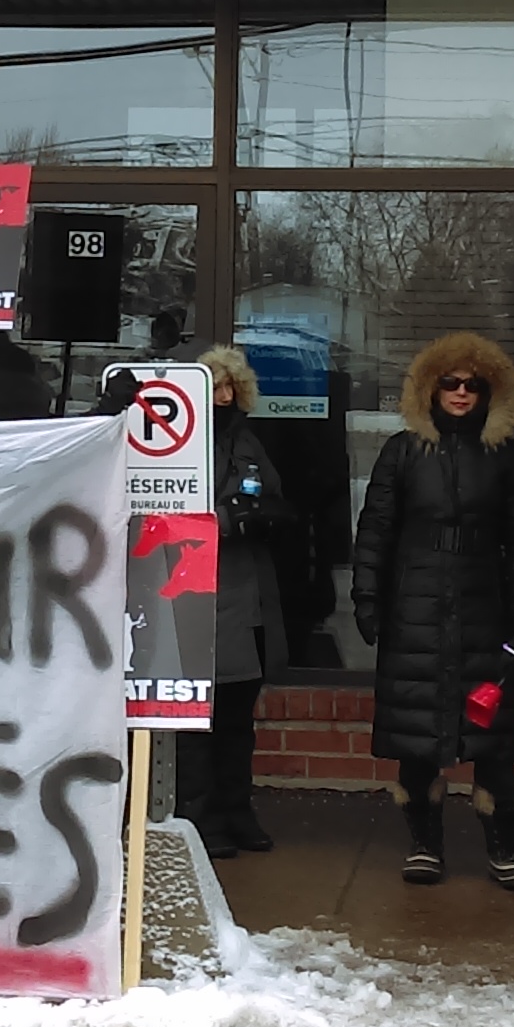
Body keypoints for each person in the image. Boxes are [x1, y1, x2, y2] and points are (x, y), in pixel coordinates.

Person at [350, 331, 514, 892]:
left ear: (488, 392)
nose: (461, 393)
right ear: (430, 389)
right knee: (418, 737)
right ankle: (424, 844)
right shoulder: (403, 451)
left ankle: (506, 847)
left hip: (486, 607)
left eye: (473, 384)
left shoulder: (503, 456)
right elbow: (375, 530)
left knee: (493, 738)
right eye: (450, 383)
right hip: (416, 608)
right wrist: (368, 596)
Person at [178, 345, 292, 858]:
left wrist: (254, 515)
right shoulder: (176, 443)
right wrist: (220, 520)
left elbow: (278, 501)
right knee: (195, 723)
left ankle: (236, 810)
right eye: (214, 386)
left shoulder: (248, 440)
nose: (223, 396)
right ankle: (201, 820)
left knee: (237, 720)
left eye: (230, 386)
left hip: (245, 596)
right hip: (189, 592)